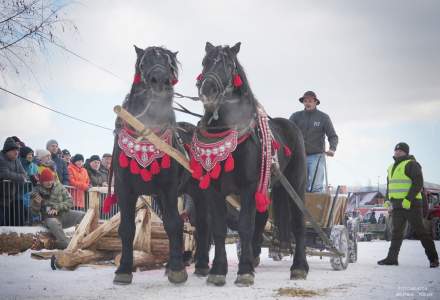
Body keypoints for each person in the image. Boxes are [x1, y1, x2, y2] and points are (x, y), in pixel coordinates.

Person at [378, 142, 439, 268]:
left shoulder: (411, 164)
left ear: (406, 152)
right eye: (396, 150)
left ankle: (434, 259)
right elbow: (390, 185)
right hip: (397, 205)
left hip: (411, 205)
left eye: (400, 150)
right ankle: (392, 258)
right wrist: (387, 199)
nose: (397, 152)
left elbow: (418, 183)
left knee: (421, 231)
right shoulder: (391, 167)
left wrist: (408, 199)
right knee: (396, 233)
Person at [289, 91, 338, 193]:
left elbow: (333, 136)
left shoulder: (323, 117)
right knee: (301, 187)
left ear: (316, 102)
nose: (308, 103)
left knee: (316, 187)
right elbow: (287, 132)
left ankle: (316, 208)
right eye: (305, 101)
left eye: (310, 101)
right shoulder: (295, 116)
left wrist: (332, 149)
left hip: (317, 157)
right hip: (299, 156)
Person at [30, 168, 85, 249]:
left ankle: (84, 238)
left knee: (83, 215)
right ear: (41, 182)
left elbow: (70, 202)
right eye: (46, 181)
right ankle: (65, 244)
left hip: (63, 214)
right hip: (49, 218)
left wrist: (57, 207)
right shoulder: (36, 191)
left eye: (50, 180)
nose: (49, 183)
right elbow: (34, 212)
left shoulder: (59, 187)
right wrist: (36, 204)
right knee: (53, 222)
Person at [0, 137, 28, 225]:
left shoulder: (17, 160)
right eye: (13, 150)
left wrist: (16, 177)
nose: (16, 152)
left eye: (17, 150)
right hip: (1, 198)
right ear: (7, 151)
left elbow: (24, 174)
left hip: (10, 198)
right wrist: (20, 177)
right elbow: (5, 174)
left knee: (7, 224)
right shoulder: (1, 158)